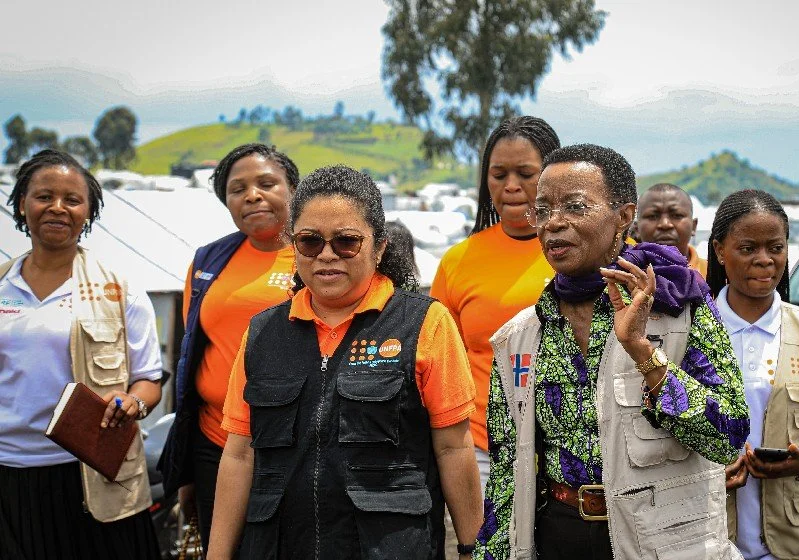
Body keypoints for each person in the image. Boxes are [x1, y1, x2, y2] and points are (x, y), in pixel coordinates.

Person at [474, 144, 750, 560]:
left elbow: (728, 437)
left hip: (661, 544)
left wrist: (643, 353)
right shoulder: (518, 338)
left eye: (575, 207)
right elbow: (506, 473)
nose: (554, 223)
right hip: (558, 538)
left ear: (623, 216)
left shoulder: (679, 311)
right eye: (543, 210)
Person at [208, 165, 482, 559]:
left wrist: (473, 548)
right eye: (309, 241)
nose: (326, 255)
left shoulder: (425, 323)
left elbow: (453, 448)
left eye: (346, 241)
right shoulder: (263, 332)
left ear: (379, 247)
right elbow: (239, 454)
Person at [0, 149, 163, 559]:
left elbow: (149, 380)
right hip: (8, 470)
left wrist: (133, 402)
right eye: (44, 196)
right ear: (22, 204)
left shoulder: (119, 290)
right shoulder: (2, 286)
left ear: (88, 212)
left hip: (92, 474)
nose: (58, 207)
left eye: (72, 200)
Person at [157, 143, 299, 550]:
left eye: (267, 184)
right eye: (237, 189)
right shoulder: (209, 260)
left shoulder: (317, 254)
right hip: (214, 444)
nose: (252, 195)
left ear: (293, 189)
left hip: (292, 448)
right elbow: (190, 353)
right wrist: (186, 468)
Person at [707, 189, 799, 560]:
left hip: (790, 539)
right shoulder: (692, 331)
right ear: (720, 251)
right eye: (748, 248)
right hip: (709, 535)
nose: (765, 260)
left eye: (776, 248)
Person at [430, 115, 560, 491]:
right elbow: (439, 363)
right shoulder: (458, 261)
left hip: (574, 449)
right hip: (483, 448)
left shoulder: (591, 251)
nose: (511, 186)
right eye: (499, 175)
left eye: (526, 173)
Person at [636, 183, 708, 277]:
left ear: (694, 226)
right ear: (637, 228)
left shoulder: (715, 276)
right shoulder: (621, 275)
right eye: (652, 216)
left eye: (677, 216)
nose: (665, 224)